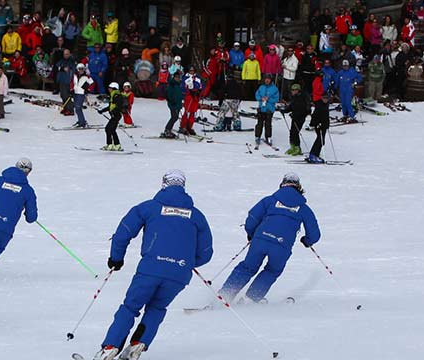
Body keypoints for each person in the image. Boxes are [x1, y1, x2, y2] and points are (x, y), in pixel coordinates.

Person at [91, 170, 213, 360]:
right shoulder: (197, 216)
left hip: (150, 269)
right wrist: (184, 262)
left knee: (130, 307)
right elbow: (206, 253)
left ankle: (110, 347)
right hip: (179, 275)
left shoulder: (148, 208)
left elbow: (123, 232)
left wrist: (116, 259)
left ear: (164, 184)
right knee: (156, 308)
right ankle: (138, 345)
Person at [219, 173, 321, 303]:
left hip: (260, 240)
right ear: (299, 187)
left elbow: (252, 218)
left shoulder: (270, 200)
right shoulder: (303, 208)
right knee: (272, 271)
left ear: (282, 185)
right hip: (281, 246)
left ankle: (225, 295)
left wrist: (251, 233)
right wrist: (307, 240)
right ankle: (251, 298)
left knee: (247, 267)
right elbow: (314, 234)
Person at [254, 75, 280, 146]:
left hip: (269, 109)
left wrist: (268, 99)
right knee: (259, 124)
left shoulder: (274, 89)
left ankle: (268, 137)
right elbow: (257, 95)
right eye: (266, 79)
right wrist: (261, 98)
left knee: (268, 124)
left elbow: (276, 98)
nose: (267, 80)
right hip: (261, 109)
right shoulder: (261, 87)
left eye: (268, 79)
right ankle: (257, 136)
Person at [307, 92, 332, 164]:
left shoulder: (325, 105)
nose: (325, 99)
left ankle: (315, 154)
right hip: (319, 125)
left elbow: (326, 116)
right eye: (324, 98)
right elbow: (315, 115)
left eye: (327, 98)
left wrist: (327, 124)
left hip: (324, 125)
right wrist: (316, 123)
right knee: (320, 140)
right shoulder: (319, 105)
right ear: (321, 98)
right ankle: (313, 154)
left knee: (321, 140)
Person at [286, 84, 310, 155]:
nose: (292, 92)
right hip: (294, 117)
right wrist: (284, 110)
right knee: (292, 132)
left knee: (295, 132)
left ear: (298, 90)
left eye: (294, 90)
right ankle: (292, 146)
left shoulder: (302, 97)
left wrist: (295, 114)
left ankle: (297, 148)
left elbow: (302, 109)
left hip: (300, 117)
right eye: (292, 90)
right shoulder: (294, 97)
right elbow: (291, 107)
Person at [103, 83, 125, 151]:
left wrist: (113, 112)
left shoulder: (117, 96)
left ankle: (110, 145)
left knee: (108, 128)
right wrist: (102, 110)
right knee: (112, 130)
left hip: (116, 115)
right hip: (114, 115)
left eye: (110, 88)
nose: (109, 89)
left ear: (114, 89)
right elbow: (110, 106)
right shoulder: (113, 96)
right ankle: (117, 145)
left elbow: (118, 106)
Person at [72, 64, 94, 128]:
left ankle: (82, 123)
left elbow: (92, 84)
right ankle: (81, 120)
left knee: (78, 107)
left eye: (82, 69)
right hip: (75, 92)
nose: (81, 70)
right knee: (77, 108)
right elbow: (72, 83)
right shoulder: (74, 75)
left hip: (81, 93)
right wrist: (71, 89)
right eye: (79, 69)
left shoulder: (86, 76)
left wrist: (88, 89)